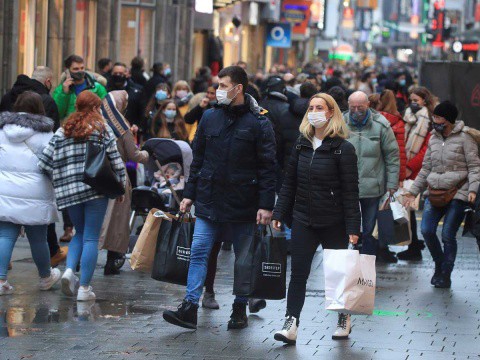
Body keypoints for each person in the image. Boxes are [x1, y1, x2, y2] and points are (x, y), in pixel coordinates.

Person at [162, 66, 276, 330]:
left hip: (244, 201)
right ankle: (189, 306)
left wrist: (266, 204)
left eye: (224, 85)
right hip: (209, 198)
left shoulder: (259, 121)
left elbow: (268, 167)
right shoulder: (210, 117)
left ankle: (239, 307)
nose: (218, 90)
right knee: (199, 250)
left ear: (239, 88)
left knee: (243, 257)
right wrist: (189, 195)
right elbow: (198, 159)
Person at [272, 93, 360, 344]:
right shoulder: (301, 144)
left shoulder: (344, 148)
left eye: (319, 107)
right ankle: (291, 323)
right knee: (298, 274)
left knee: (336, 274)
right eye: (311, 107)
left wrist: (354, 226)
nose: (313, 111)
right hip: (303, 218)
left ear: (331, 112)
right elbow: (289, 182)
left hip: (334, 222)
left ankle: (343, 317)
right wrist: (279, 212)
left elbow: (351, 191)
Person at [38, 91, 126, 302]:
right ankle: (85, 288)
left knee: (79, 233)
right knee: (91, 237)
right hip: (96, 189)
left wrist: (61, 177)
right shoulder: (102, 130)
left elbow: (43, 163)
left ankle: (69, 271)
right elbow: (116, 161)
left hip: (70, 192)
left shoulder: (62, 131)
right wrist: (120, 187)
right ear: (96, 109)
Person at [403, 101, 480, 288]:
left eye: (438, 117)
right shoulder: (433, 138)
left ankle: (445, 274)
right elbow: (426, 168)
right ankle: (440, 263)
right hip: (435, 191)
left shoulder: (465, 138)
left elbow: (474, 167)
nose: (434, 120)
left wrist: (472, 190)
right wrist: (412, 192)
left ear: (449, 120)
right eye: (434, 117)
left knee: (447, 234)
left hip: (458, 192)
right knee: (427, 230)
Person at [0, 66, 67, 265]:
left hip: (6, 190)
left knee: (5, 236)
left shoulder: (3, 131)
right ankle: (46, 277)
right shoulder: (46, 134)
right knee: (39, 239)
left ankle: (1, 279)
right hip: (36, 192)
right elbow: (53, 162)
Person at [99, 91, 149, 275]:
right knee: (117, 220)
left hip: (93, 177)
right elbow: (133, 155)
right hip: (116, 177)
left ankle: (76, 263)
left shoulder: (94, 123)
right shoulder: (121, 126)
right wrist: (147, 153)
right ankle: (113, 260)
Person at [343, 91, 399, 256]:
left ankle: (367, 266)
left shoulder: (381, 125)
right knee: (347, 231)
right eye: (352, 107)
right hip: (346, 187)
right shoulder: (340, 124)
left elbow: (392, 156)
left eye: (360, 107)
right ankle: (348, 265)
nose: (356, 110)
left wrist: (391, 185)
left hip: (373, 188)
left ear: (368, 104)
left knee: (369, 231)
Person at [397, 87, 436, 261]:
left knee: (410, 208)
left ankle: (414, 246)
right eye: (411, 100)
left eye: (416, 100)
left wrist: (410, 167)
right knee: (408, 209)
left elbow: (426, 149)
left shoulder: (428, 120)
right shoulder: (407, 117)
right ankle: (413, 245)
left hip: (417, 171)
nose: (413, 104)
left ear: (424, 101)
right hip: (405, 169)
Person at [371, 89, 408, 262]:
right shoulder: (399, 122)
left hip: (374, 171)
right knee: (385, 211)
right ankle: (383, 246)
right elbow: (399, 153)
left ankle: (375, 247)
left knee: (372, 212)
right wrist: (400, 177)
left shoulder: (374, 121)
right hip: (390, 173)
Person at [53, 55, 107, 121]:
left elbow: (105, 111)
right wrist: (64, 94)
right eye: (76, 69)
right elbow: (58, 113)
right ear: (67, 71)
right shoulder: (60, 90)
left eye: (82, 68)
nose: (80, 71)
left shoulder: (97, 88)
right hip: (70, 127)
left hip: (91, 126)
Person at [107, 62, 145, 132]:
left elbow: (142, 110)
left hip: (131, 129)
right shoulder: (106, 90)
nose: (118, 76)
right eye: (115, 73)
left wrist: (138, 126)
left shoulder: (137, 91)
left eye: (121, 74)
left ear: (126, 74)